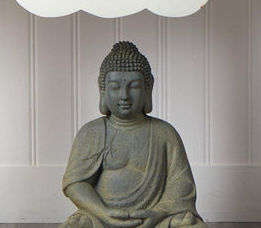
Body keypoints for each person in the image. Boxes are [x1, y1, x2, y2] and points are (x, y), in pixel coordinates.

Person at [61, 41, 207, 228]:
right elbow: (75, 183)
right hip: (101, 219)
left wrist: (158, 213)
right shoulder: (92, 132)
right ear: (103, 90)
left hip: (154, 220)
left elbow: (182, 185)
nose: (124, 95)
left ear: (148, 88)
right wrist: (103, 213)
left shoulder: (164, 133)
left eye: (134, 86)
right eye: (115, 87)